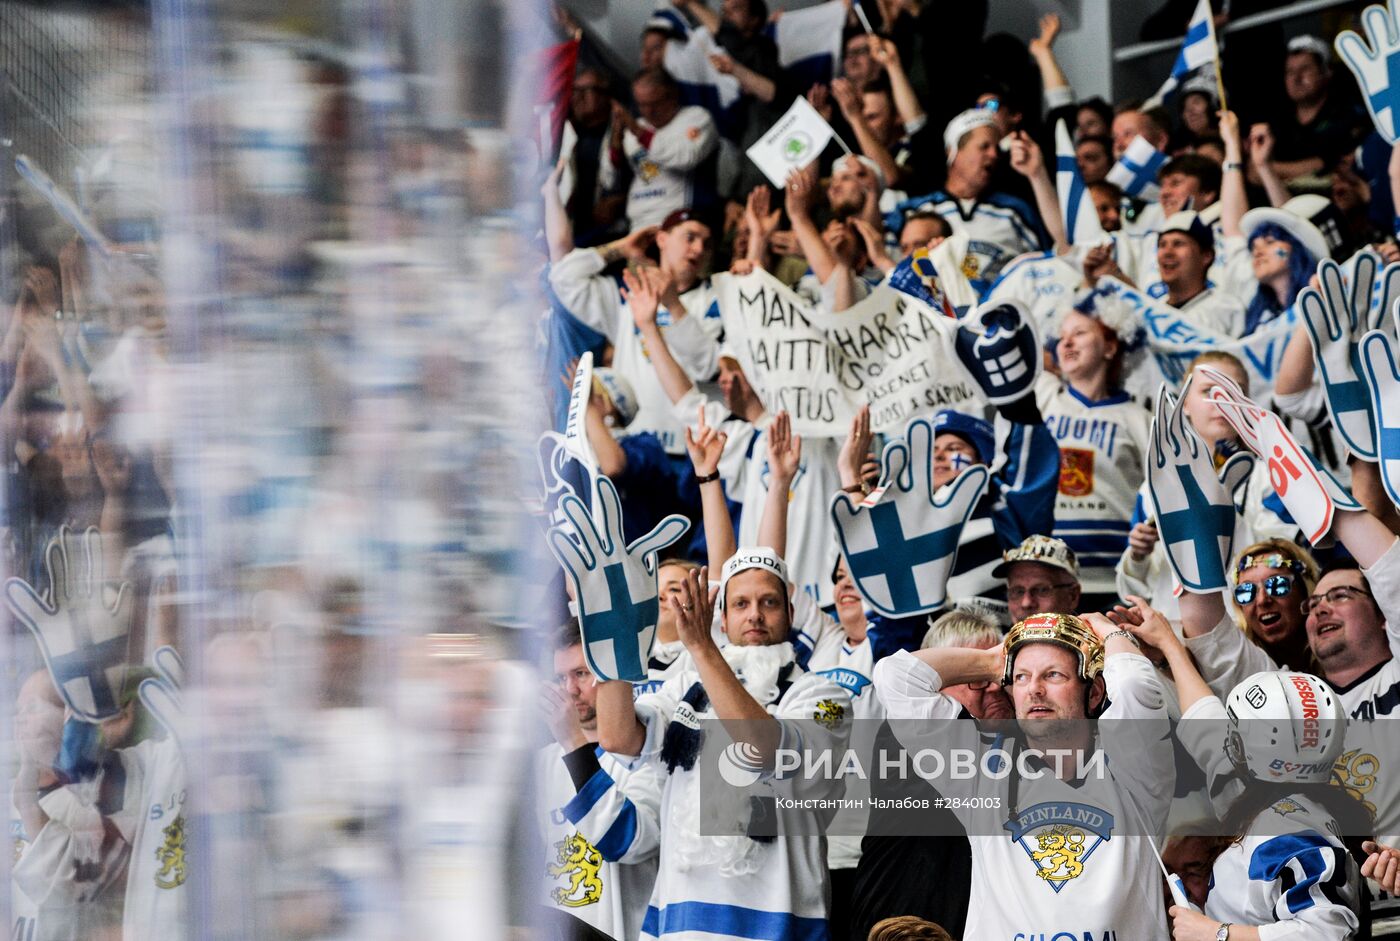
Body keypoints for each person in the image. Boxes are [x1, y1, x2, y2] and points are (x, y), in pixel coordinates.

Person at [593, 552, 853, 940]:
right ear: (725, 618)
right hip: (683, 924)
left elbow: (763, 751)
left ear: (791, 612)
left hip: (781, 923)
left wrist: (702, 649)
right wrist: (615, 632)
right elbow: (618, 738)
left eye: (769, 602)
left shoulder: (822, 695)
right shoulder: (685, 689)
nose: (755, 616)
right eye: (741, 604)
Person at [873, 606, 1174, 940]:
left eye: (1054, 675)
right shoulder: (980, 773)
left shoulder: (1137, 771)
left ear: (1096, 692)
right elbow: (896, 677)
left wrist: (1107, 629)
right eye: (1021, 677)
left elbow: (1136, 686)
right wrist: (997, 660)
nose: (1035, 689)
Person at [849, 611, 1011, 941]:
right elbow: (901, 675)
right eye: (978, 676)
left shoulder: (1015, 748)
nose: (995, 686)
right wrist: (994, 660)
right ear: (936, 685)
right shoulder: (902, 738)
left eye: (1003, 676)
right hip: (901, 926)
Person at [548, 211, 721, 456]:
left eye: (706, 243)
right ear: (661, 240)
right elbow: (563, 279)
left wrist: (673, 304)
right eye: (690, 238)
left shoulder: (714, 297)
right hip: (634, 447)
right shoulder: (628, 295)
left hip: (691, 451)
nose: (698, 249)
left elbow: (708, 366)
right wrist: (621, 248)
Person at [538, 624, 661, 940]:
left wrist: (573, 742)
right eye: (559, 679)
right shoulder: (543, 763)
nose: (570, 690)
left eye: (581, 674)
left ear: (612, 679)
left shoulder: (647, 751)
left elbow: (627, 841)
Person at [1036, 288, 1152, 606]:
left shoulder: (1140, 419)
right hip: (1048, 580)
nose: (1067, 343)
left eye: (1080, 333)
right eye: (1061, 338)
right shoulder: (1043, 397)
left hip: (1117, 579)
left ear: (1111, 346)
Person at [885, 109, 1048, 296]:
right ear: (953, 151)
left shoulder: (1015, 211)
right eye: (984, 146)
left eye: (996, 148)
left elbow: (1044, 268)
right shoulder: (912, 211)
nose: (994, 154)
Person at [1088, 210, 1246, 337]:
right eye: (1162, 245)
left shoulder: (1226, 308)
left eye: (1178, 244)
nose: (1167, 252)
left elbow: (1176, 334)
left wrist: (1121, 280)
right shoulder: (1157, 305)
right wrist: (1097, 278)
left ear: (1206, 256)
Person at [605, 69, 720, 229]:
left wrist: (638, 131)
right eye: (642, 105)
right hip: (639, 222)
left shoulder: (696, 118)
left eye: (654, 103)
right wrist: (616, 143)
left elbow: (685, 158)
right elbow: (610, 180)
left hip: (682, 220)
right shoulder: (634, 129)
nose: (648, 112)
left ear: (673, 95)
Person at [1262, 35, 1366, 184]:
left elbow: (1335, 163)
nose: (1296, 78)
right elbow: (1253, 172)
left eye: (1305, 69)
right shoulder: (1277, 119)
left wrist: (1268, 169)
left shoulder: (1347, 114)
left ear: (1326, 72)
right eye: (1290, 72)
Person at [994, 534, 1082, 624]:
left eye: (1042, 590)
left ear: (1072, 596)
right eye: (1018, 591)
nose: (1026, 603)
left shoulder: (1095, 636)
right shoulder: (991, 638)